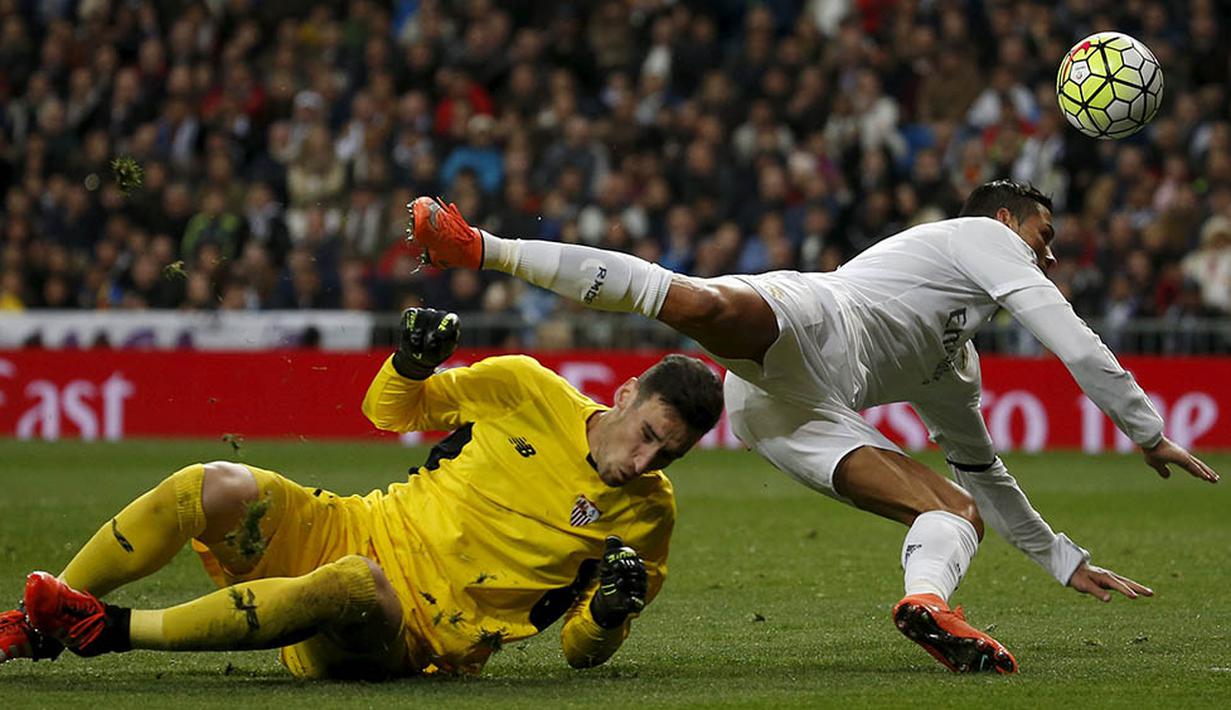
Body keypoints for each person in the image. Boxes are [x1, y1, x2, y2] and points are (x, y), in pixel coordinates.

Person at [402, 180, 1221, 674]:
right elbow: (1064, 330)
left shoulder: (953, 363)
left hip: (790, 413)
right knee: (697, 302)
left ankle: (926, 604)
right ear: (1006, 222)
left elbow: (982, 470)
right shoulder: (978, 235)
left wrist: (1061, 559)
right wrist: (1143, 427)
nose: (1047, 257)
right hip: (816, 317)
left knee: (954, 511)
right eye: (1042, 238)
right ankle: (479, 247)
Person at [0, 309, 724, 678]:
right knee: (210, 485)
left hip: (413, 633)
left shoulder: (648, 514)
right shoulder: (526, 388)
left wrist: (607, 615)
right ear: (625, 394)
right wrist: (409, 363)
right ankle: (38, 619)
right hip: (357, 526)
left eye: (670, 453)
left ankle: (109, 630)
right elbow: (389, 412)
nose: (646, 460)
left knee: (351, 583)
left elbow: (579, 651)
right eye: (648, 434)